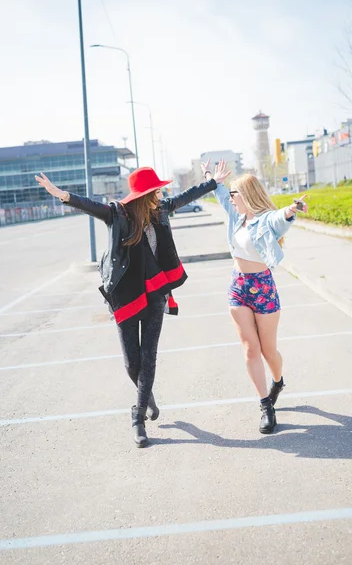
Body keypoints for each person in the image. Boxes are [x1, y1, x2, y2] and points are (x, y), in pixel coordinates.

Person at [35, 167, 219, 447]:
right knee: (132, 362)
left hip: (156, 292)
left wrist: (212, 182)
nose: (161, 194)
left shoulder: (160, 210)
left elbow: (185, 196)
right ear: (144, 195)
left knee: (149, 357)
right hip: (125, 295)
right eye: (156, 190)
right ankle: (147, 397)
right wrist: (63, 195)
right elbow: (90, 206)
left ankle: (138, 417)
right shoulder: (117, 214)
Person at [201, 159, 308, 434]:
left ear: (246, 196)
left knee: (268, 351)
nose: (231, 200)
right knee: (250, 349)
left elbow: (278, 218)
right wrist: (211, 176)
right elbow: (220, 194)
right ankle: (265, 405)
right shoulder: (236, 217)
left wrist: (291, 210)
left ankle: (278, 381)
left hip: (263, 288)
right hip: (238, 286)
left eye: (235, 195)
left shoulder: (264, 221)